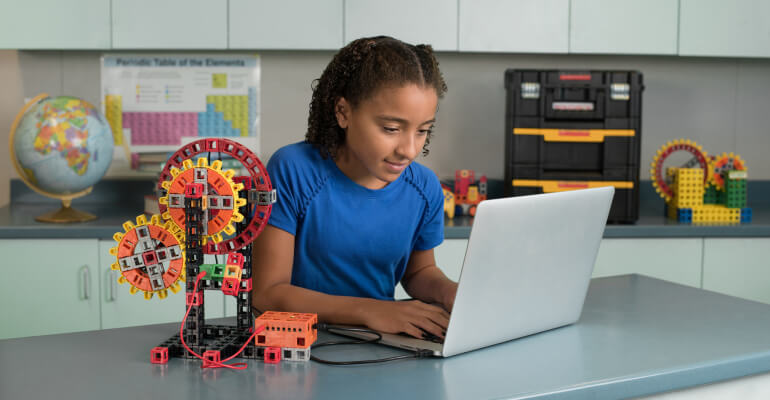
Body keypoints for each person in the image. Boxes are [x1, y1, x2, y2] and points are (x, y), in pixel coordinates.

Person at [251, 36, 457, 340]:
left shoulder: (424, 188)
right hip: (301, 346)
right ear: (343, 112)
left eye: (423, 130)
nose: (409, 150)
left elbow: (418, 273)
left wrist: (452, 293)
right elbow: (268, 294)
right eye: (391, 129)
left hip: (384, 345)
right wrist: (372, 310)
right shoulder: (293, 169)